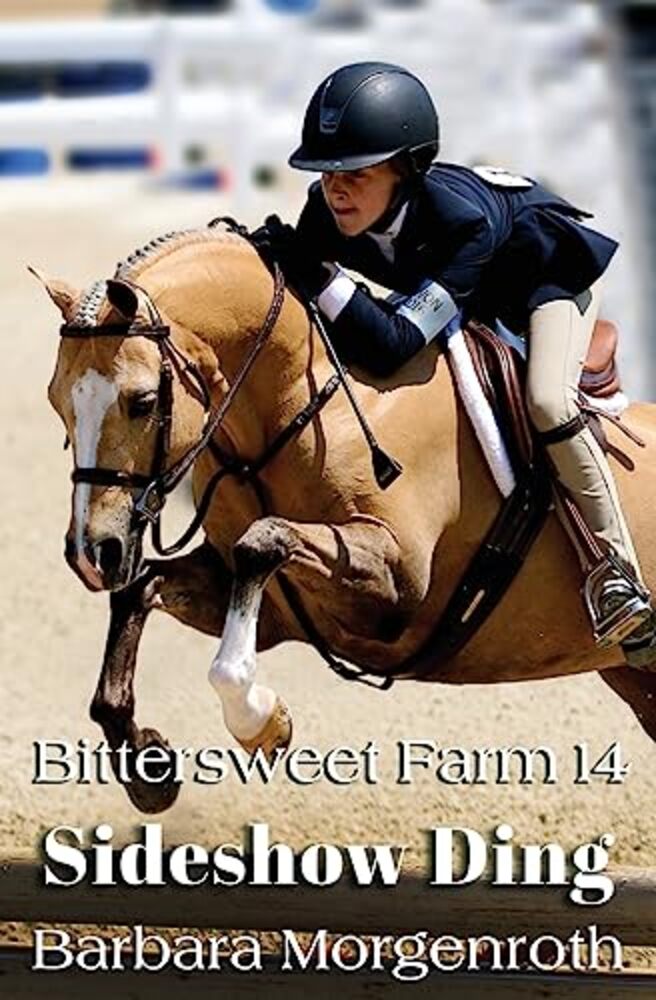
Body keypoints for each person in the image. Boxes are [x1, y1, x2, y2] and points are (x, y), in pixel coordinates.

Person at [263, 60, 653, 658]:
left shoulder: (461, 223)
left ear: (406, 170)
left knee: (547, 401)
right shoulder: (327, 210)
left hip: (547, 280)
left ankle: (618, 575)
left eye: (358, 174)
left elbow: (392, 343)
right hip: (470, 291)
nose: (336, 189)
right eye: (327, 172)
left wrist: (316, 275)